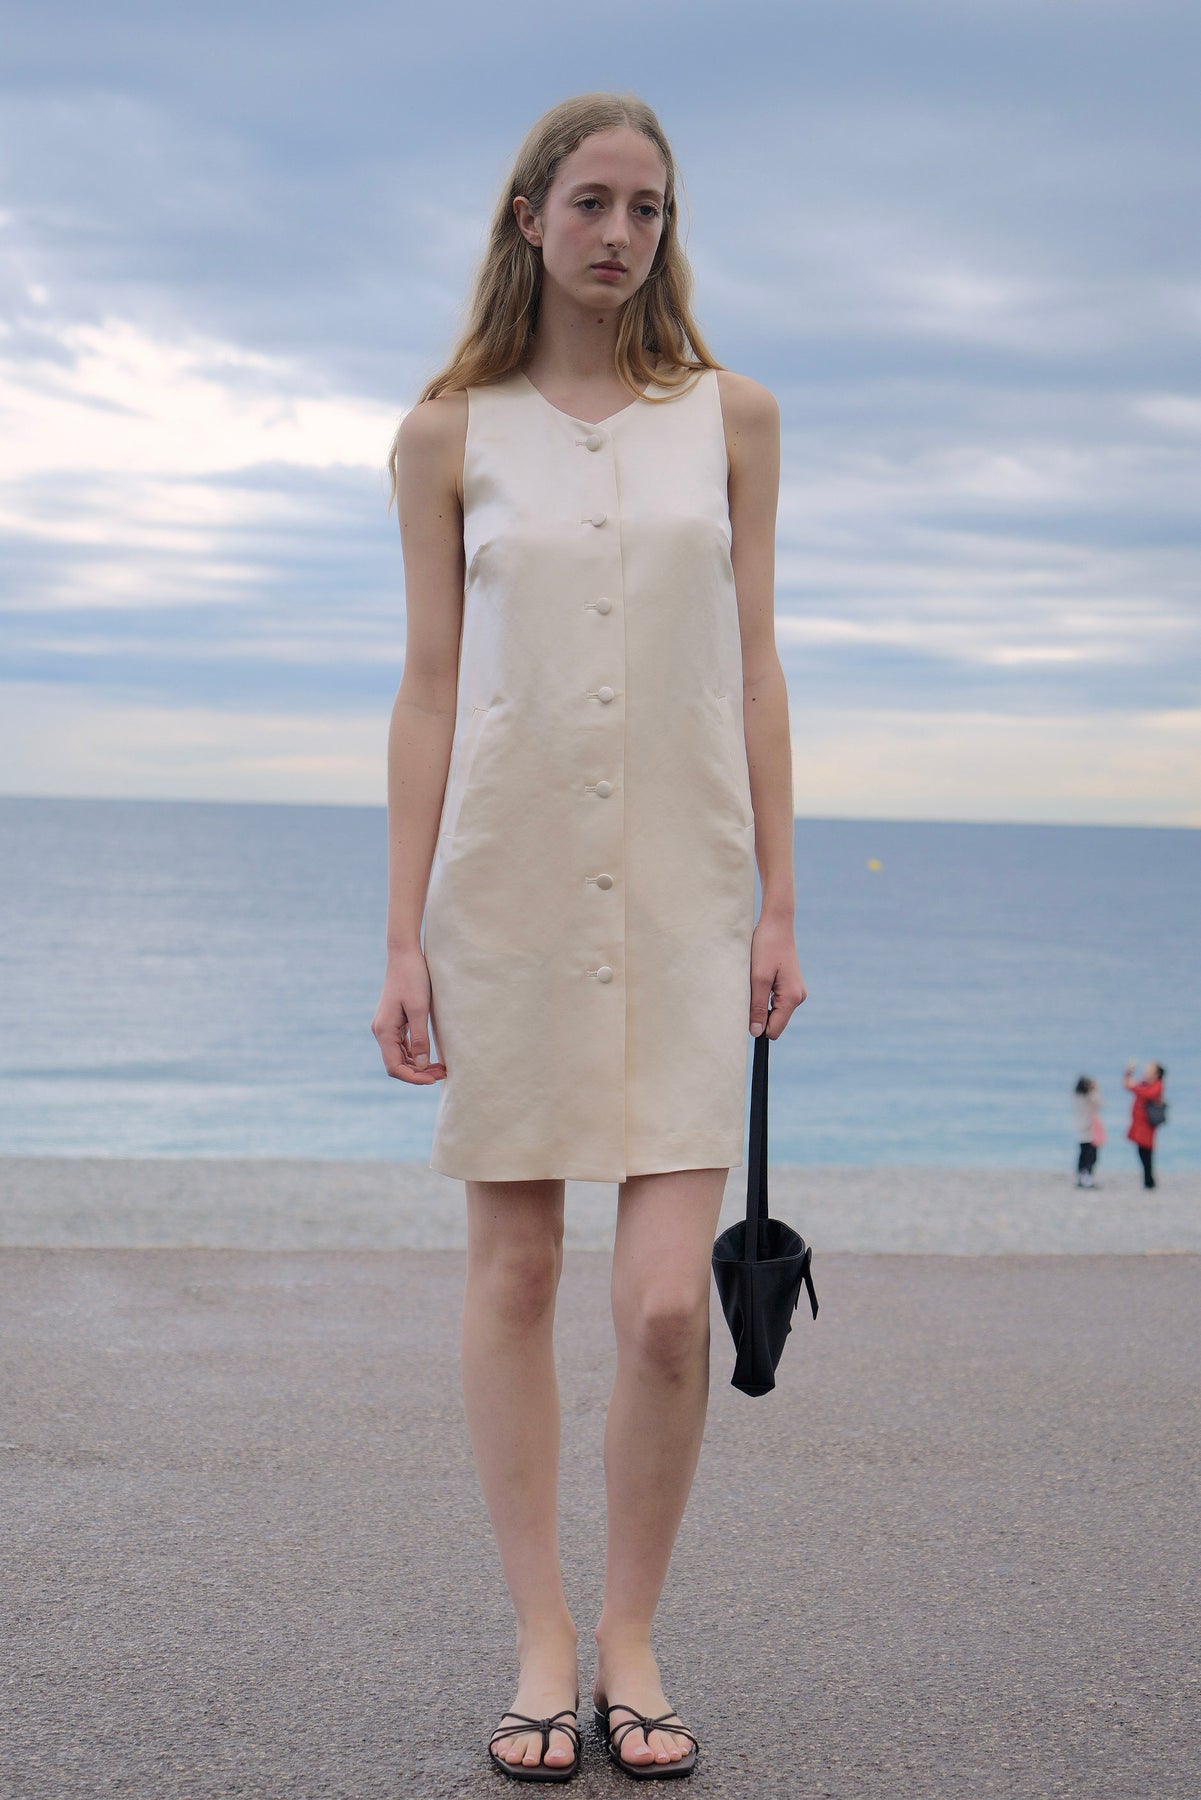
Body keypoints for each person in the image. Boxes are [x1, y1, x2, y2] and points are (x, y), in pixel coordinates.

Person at [371, 93, 806, 1783]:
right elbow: (426, 690)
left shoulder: (734, 418)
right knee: (517, 1272)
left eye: (649, 208)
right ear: (529, 217)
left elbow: (755, 666)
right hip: (510, 892)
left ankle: (633, 1632)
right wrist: (401, 941)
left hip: (691, 894)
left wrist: (779, 900)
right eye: (593, 203)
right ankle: (544, 1641)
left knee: (665, 1310)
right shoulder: (446, 435)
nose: (621, 234)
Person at [1123, 1061, 1166, 1190]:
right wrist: (1128, 1073)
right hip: (1139, 1123)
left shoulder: (1158, 1084)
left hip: (1147, 1124)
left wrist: (1134, 1087)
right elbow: (1128, 1086)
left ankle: (1149, 1181)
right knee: (1142, 1151)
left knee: (1146, 1150)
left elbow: (1148, 1094)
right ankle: (1148, 1180)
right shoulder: (1145, 1084)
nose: (1146, 1071)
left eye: (1150, 1069)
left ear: (1156, 1073)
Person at [1073, 1076, 1104, 1188]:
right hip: (1089, 1131)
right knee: (1091, 1156)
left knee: (1083, 1155)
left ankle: (1081, 1176)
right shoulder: (1088, 1097)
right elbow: (1100, 1103)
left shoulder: (1077, 1097)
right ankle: (1087, 1177)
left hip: (1081, 1131)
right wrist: (1095, 1089)